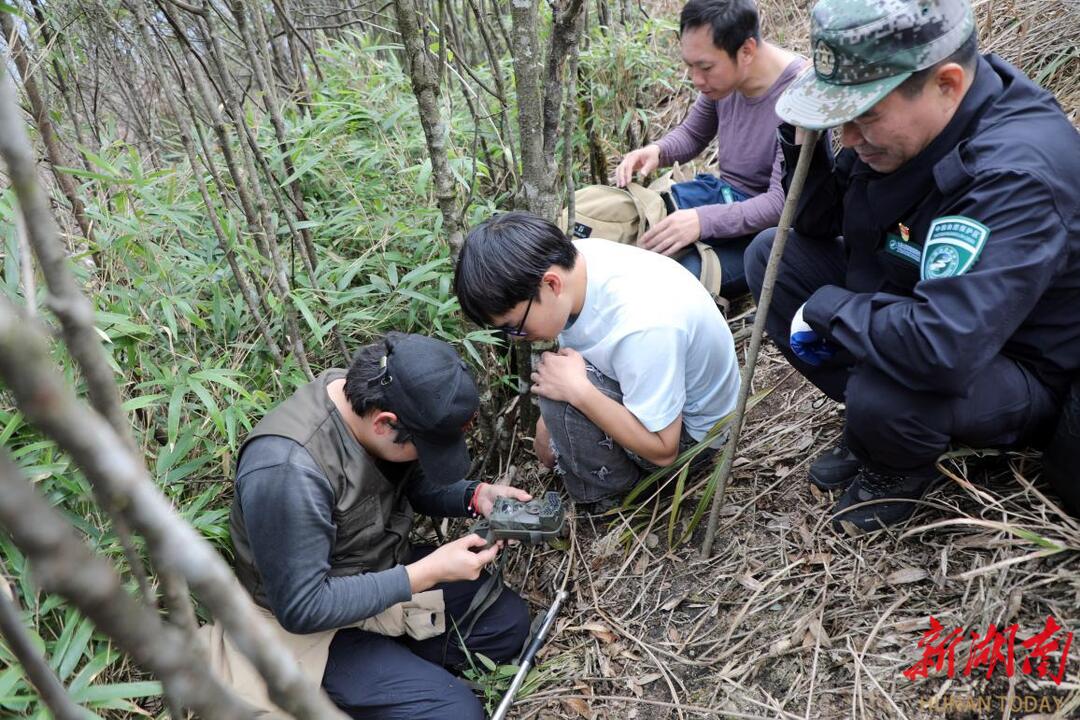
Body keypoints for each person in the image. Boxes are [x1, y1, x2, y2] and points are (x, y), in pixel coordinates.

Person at [744, 0, 1080, 531]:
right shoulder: (915, 120)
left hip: (1007, 360)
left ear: (946, 83)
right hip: (921, 298)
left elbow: (943, 347)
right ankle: (876, 423)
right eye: (840, 119)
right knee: (773, 256)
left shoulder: (1016, 173)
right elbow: (812, 224)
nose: (849, 138)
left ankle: (896, 459)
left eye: (865, 116)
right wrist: (799, 140)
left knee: (888, 387)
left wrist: (833, 309)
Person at [227, 333, 532, 719]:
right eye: (424, 448)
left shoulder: (374, 398)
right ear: (385, 424)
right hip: (308, 629)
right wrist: (425, 573)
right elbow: (302, 608)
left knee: (505, 624)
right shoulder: (287, 471)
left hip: (378, 571)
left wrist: (475, 497)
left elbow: (412, 481)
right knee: (456, 715)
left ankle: (394, 675)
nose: (424, 458)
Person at [454, 212, 740, 511]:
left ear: (551, 284)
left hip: (695, 442)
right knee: (560, 384)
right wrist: (546, 426)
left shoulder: (643, 324)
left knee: (562, 398)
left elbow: (665, 451)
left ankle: (612, 500)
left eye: (515, 326)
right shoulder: (580, 264)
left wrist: (578, 393)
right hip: (673, 398)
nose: (514, 338)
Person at [614, 0, 804, 300]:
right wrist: (656, 151)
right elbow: (693, 134)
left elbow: (782, 204)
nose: (696, 79)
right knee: (622, 232)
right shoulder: (722, 82)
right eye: (689, 66)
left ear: (747, 50)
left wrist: (702, 222)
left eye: (705, 67)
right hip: (721, 196)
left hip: (767, 234)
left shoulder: (799, 96)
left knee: (667, 283)